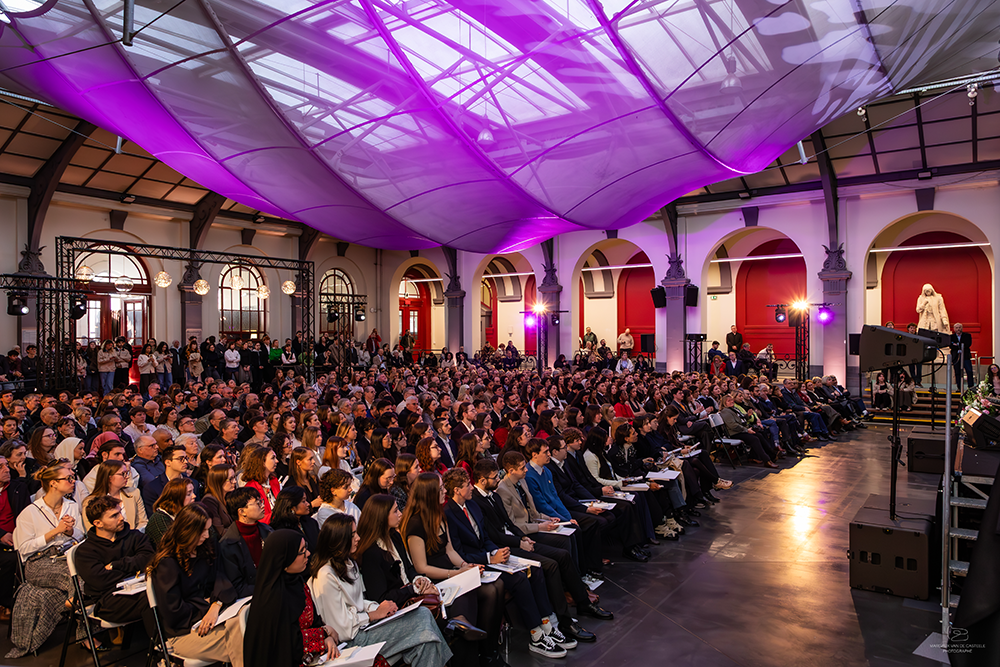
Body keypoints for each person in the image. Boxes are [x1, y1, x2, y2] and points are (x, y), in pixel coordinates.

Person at [308, 513, 452, 667]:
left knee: (425, 644)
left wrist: (383, 608)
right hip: (352, 641)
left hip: (364, 627)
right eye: (353, 535)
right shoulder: (325, 575)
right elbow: (341, 628)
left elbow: (359, 602)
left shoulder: (349, 563)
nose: (358, 538)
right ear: (339, 540)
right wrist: (373, 614)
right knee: (423, 617)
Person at [147, 504, 244, 667]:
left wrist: (215, 604)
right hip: (184, 632)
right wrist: (205, 606)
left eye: (208, 529)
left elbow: (219, 579)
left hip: (214, 617)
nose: (207, 535)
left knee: (248, 626)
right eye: (203, 531)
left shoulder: (206, 548)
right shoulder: (167, 563)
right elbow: (174, 612)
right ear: (187, 531)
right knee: (246, 640)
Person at [243, 529, 340, 667]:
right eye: (301, 551)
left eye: (306, 548)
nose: (308, 553)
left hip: (313, 657)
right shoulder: (272, 599)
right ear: (285, 559)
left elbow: (314, 621)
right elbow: (287, 644)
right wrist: (323, 634)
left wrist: (327, 638)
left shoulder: (297, 583)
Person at [75, 494, 154, 625]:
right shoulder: (86, 551)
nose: (121, 518)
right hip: (109, 601)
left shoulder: (134, 536)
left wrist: (116, 565)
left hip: (140, 587)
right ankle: (163, 642)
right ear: (97, 523)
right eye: (114, 516)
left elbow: (149, 559)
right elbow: (101, 581)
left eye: (120, 512)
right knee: (151, 598)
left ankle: (168, 640)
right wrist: (134, 571)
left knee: (163, 591)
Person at [220, 486, 272, 597]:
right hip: (252, 597)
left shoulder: (268, 531)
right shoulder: (228, 544)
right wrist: (267, 589)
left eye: (261, 501)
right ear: (242, 511)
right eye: (258, 503)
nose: (263, 506)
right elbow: (237, 586)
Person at [82, 459, 147, 531]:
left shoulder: (134, 493)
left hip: (134, 538)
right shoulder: (90, 502)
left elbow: (143, 522)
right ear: (109, 477)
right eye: (123, 474)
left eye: (127, 473)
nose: (127, 477)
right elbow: (91, 530)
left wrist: (132, 537)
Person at [146, 477, 196, 547]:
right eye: (188, 494)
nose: (194, 496)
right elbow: (171, 548)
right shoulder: (158, 520)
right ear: (176, 498)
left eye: (193, 492)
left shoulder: (189, 513)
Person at [269, 486, 320, 553]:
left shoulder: (311, 522)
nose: (308, 504)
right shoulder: (282, 531)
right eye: (303, 501)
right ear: (292, 507)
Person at [241, 446, 281, 524]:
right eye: (273, 458)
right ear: (262, 463)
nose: (277, 461)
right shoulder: (250, 488)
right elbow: (258, 518)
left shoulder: (273, 480)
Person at [951, 322, 974, 391]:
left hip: (965, 356)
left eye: (959, 327)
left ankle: (971, 387)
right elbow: (950, 346)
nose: (958, 329)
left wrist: (957, 345)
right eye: (957, 328)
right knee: (957, 372)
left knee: (969, 371)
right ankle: (959, 387)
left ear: (962, 328)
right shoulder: (951, 337)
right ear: (954, 329)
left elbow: (967, 344)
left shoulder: (967, 336)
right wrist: (960, 345)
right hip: (956, 357)